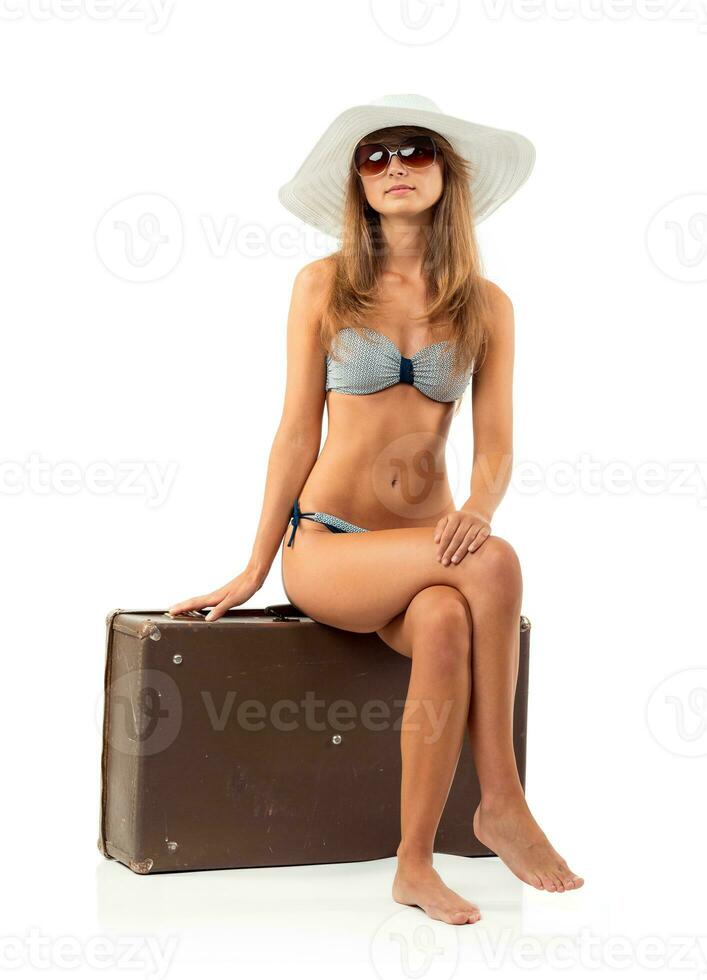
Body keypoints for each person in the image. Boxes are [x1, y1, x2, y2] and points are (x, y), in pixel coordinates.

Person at [169, 94, 584, 924]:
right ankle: (501, 798)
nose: (395, 166)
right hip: (330, 549)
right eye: (374, 156)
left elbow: (495, 444)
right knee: (494, 563)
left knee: (441, 621)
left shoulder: (485, 304)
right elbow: (295, 431)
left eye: (415, 150)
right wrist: (255, 565)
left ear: (446, 174)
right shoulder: (323, 285)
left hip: (425, 543)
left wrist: (477, 504)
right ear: (357, 183)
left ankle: (413, 862)